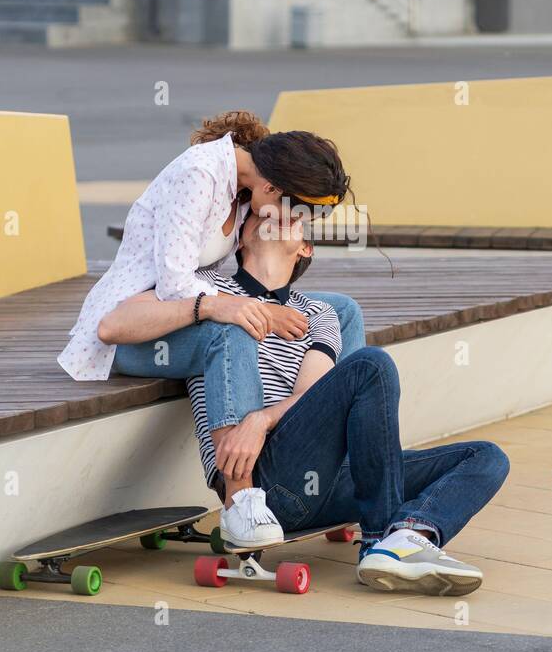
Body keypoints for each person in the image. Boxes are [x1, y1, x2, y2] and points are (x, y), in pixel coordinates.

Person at [98, 210, 509, 595]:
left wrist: (260, 419)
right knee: (371, 365)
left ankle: (411, 535)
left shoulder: (319, 314)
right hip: (264, 482)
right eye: (263, 214)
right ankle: (382, 541)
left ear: (305, 248)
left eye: (291, 218)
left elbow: (307, 397)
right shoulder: (210, 292)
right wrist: (211, 308)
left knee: (486, 456)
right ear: (240, 239)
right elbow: (115, 323)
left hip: (325, 477)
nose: (276, 216)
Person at [60, 111, 364, 543]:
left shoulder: (244, 188)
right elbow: (174, 285)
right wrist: (248, 307)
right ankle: (240, 502)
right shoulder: (198, 174)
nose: (291, 220)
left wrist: (258, 302)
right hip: (139, 326)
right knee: (232, 326)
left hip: (187, 315)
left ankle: (343, 469)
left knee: (340, 310)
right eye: (294, 209)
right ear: (272, 187)